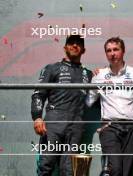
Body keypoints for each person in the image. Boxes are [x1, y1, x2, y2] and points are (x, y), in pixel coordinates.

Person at [31, 35, 92, 176]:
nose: (75, 46)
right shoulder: (52, 68)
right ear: (65, 48)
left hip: (76, 125)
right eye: (71, 43)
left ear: (84, 50)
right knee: (46, 165)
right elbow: (38, 94)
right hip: (54, 123)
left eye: (79, 44)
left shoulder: (88, 74)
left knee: (70, 171)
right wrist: (37, 117)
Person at [86, 37, 133, 176]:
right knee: (115, 169)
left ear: (123, 51)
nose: (112, 53)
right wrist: (89, 79)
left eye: (116, 49)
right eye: (108, 51)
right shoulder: (99, 75)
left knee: (127, 171)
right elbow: (89, 101)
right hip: (110, 127)